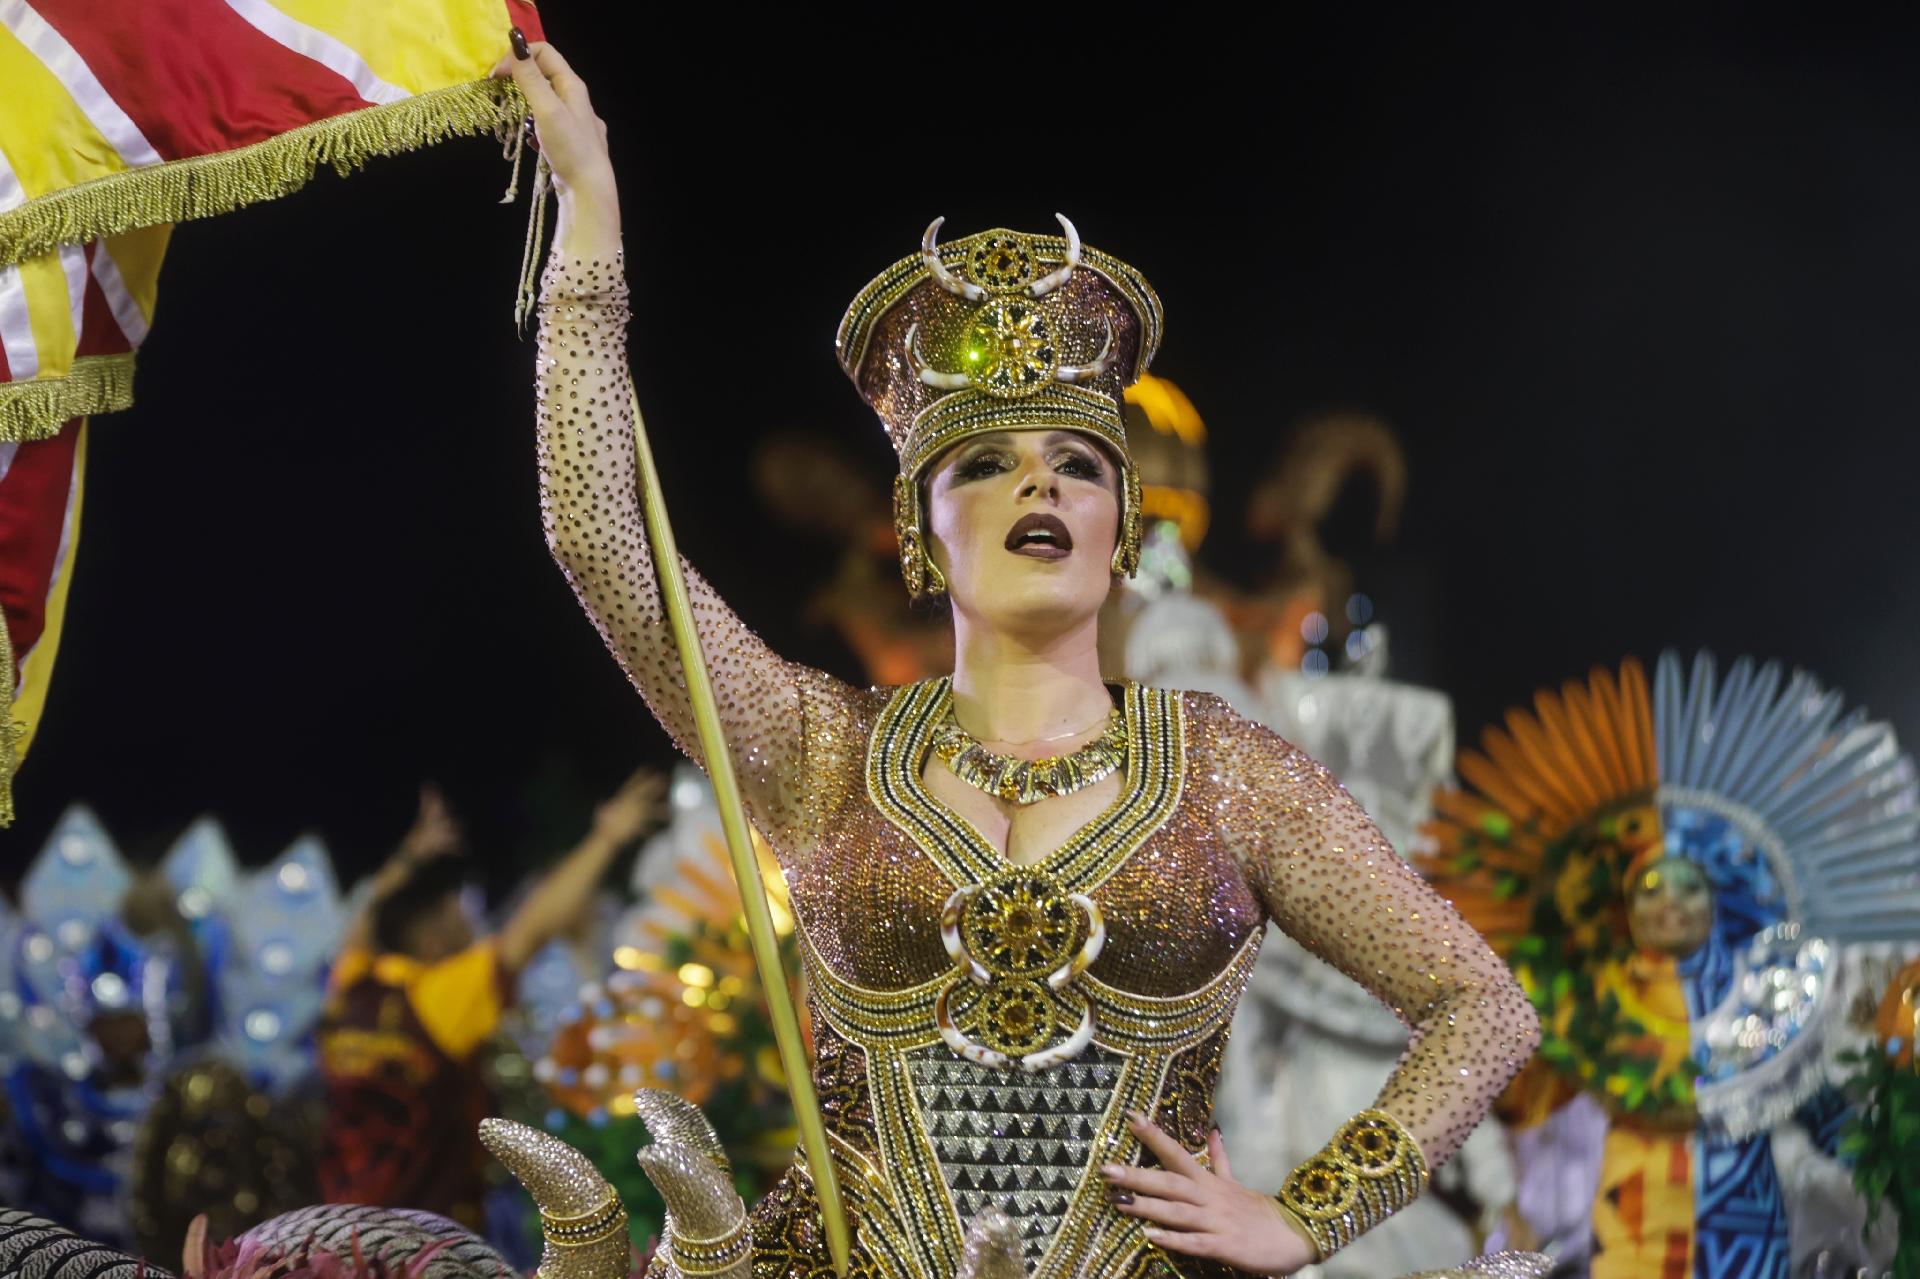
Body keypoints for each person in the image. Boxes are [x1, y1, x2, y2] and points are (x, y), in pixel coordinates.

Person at [503, 36, 1540, 1277]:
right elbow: (596, 531)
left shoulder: (1228, 771)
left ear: (1122, 530)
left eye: (1080, 464)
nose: (1039, 480)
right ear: (919, 530)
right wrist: (590, 233)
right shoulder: (821, 749)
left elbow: (1484, 1006)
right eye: (985, 461)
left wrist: (1307, 1213)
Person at [317, 773, 662, 1228]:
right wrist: (606, 838)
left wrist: (406, 859)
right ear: (431, 938)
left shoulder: (350, 987)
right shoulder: (436, 1000)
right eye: (455, 913)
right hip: (420, 1239)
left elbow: (366, 922)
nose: (468, 922)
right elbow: (533, 928)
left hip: (341, 1226)